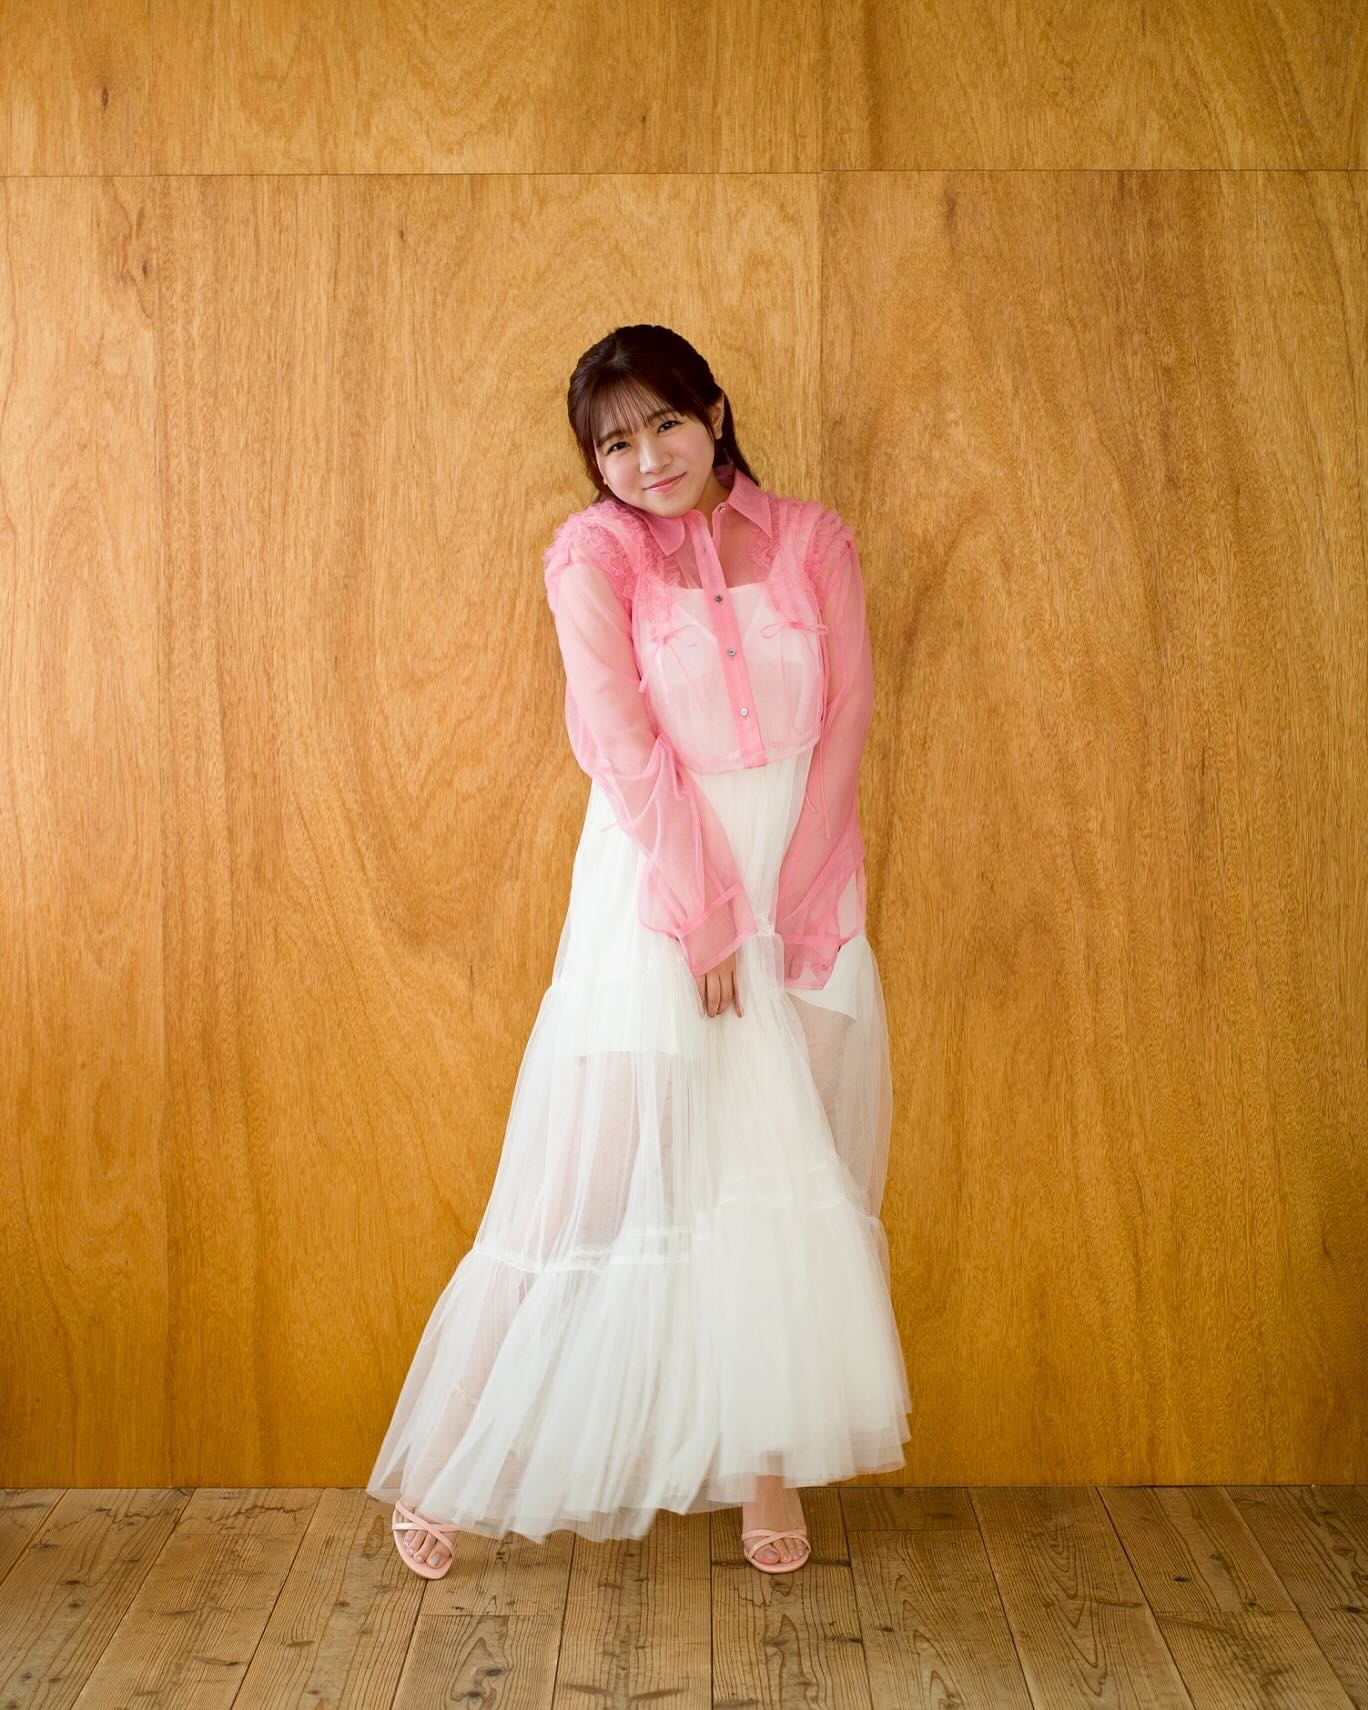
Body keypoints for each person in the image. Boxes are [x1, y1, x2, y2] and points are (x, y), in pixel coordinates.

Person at [366, 323, 911, 1578]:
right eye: (614, 444)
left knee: (777, 1176)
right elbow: (620, 745)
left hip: (805, 887)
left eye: (665, 423)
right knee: (586, 1185)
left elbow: (847, 720)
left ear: (714, 415)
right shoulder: (593, 557)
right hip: (656, 897)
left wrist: (799, 903)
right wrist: (709, 912)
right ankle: (449, 1459)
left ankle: (766, 1467)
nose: (647, 458)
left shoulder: (814, 541)